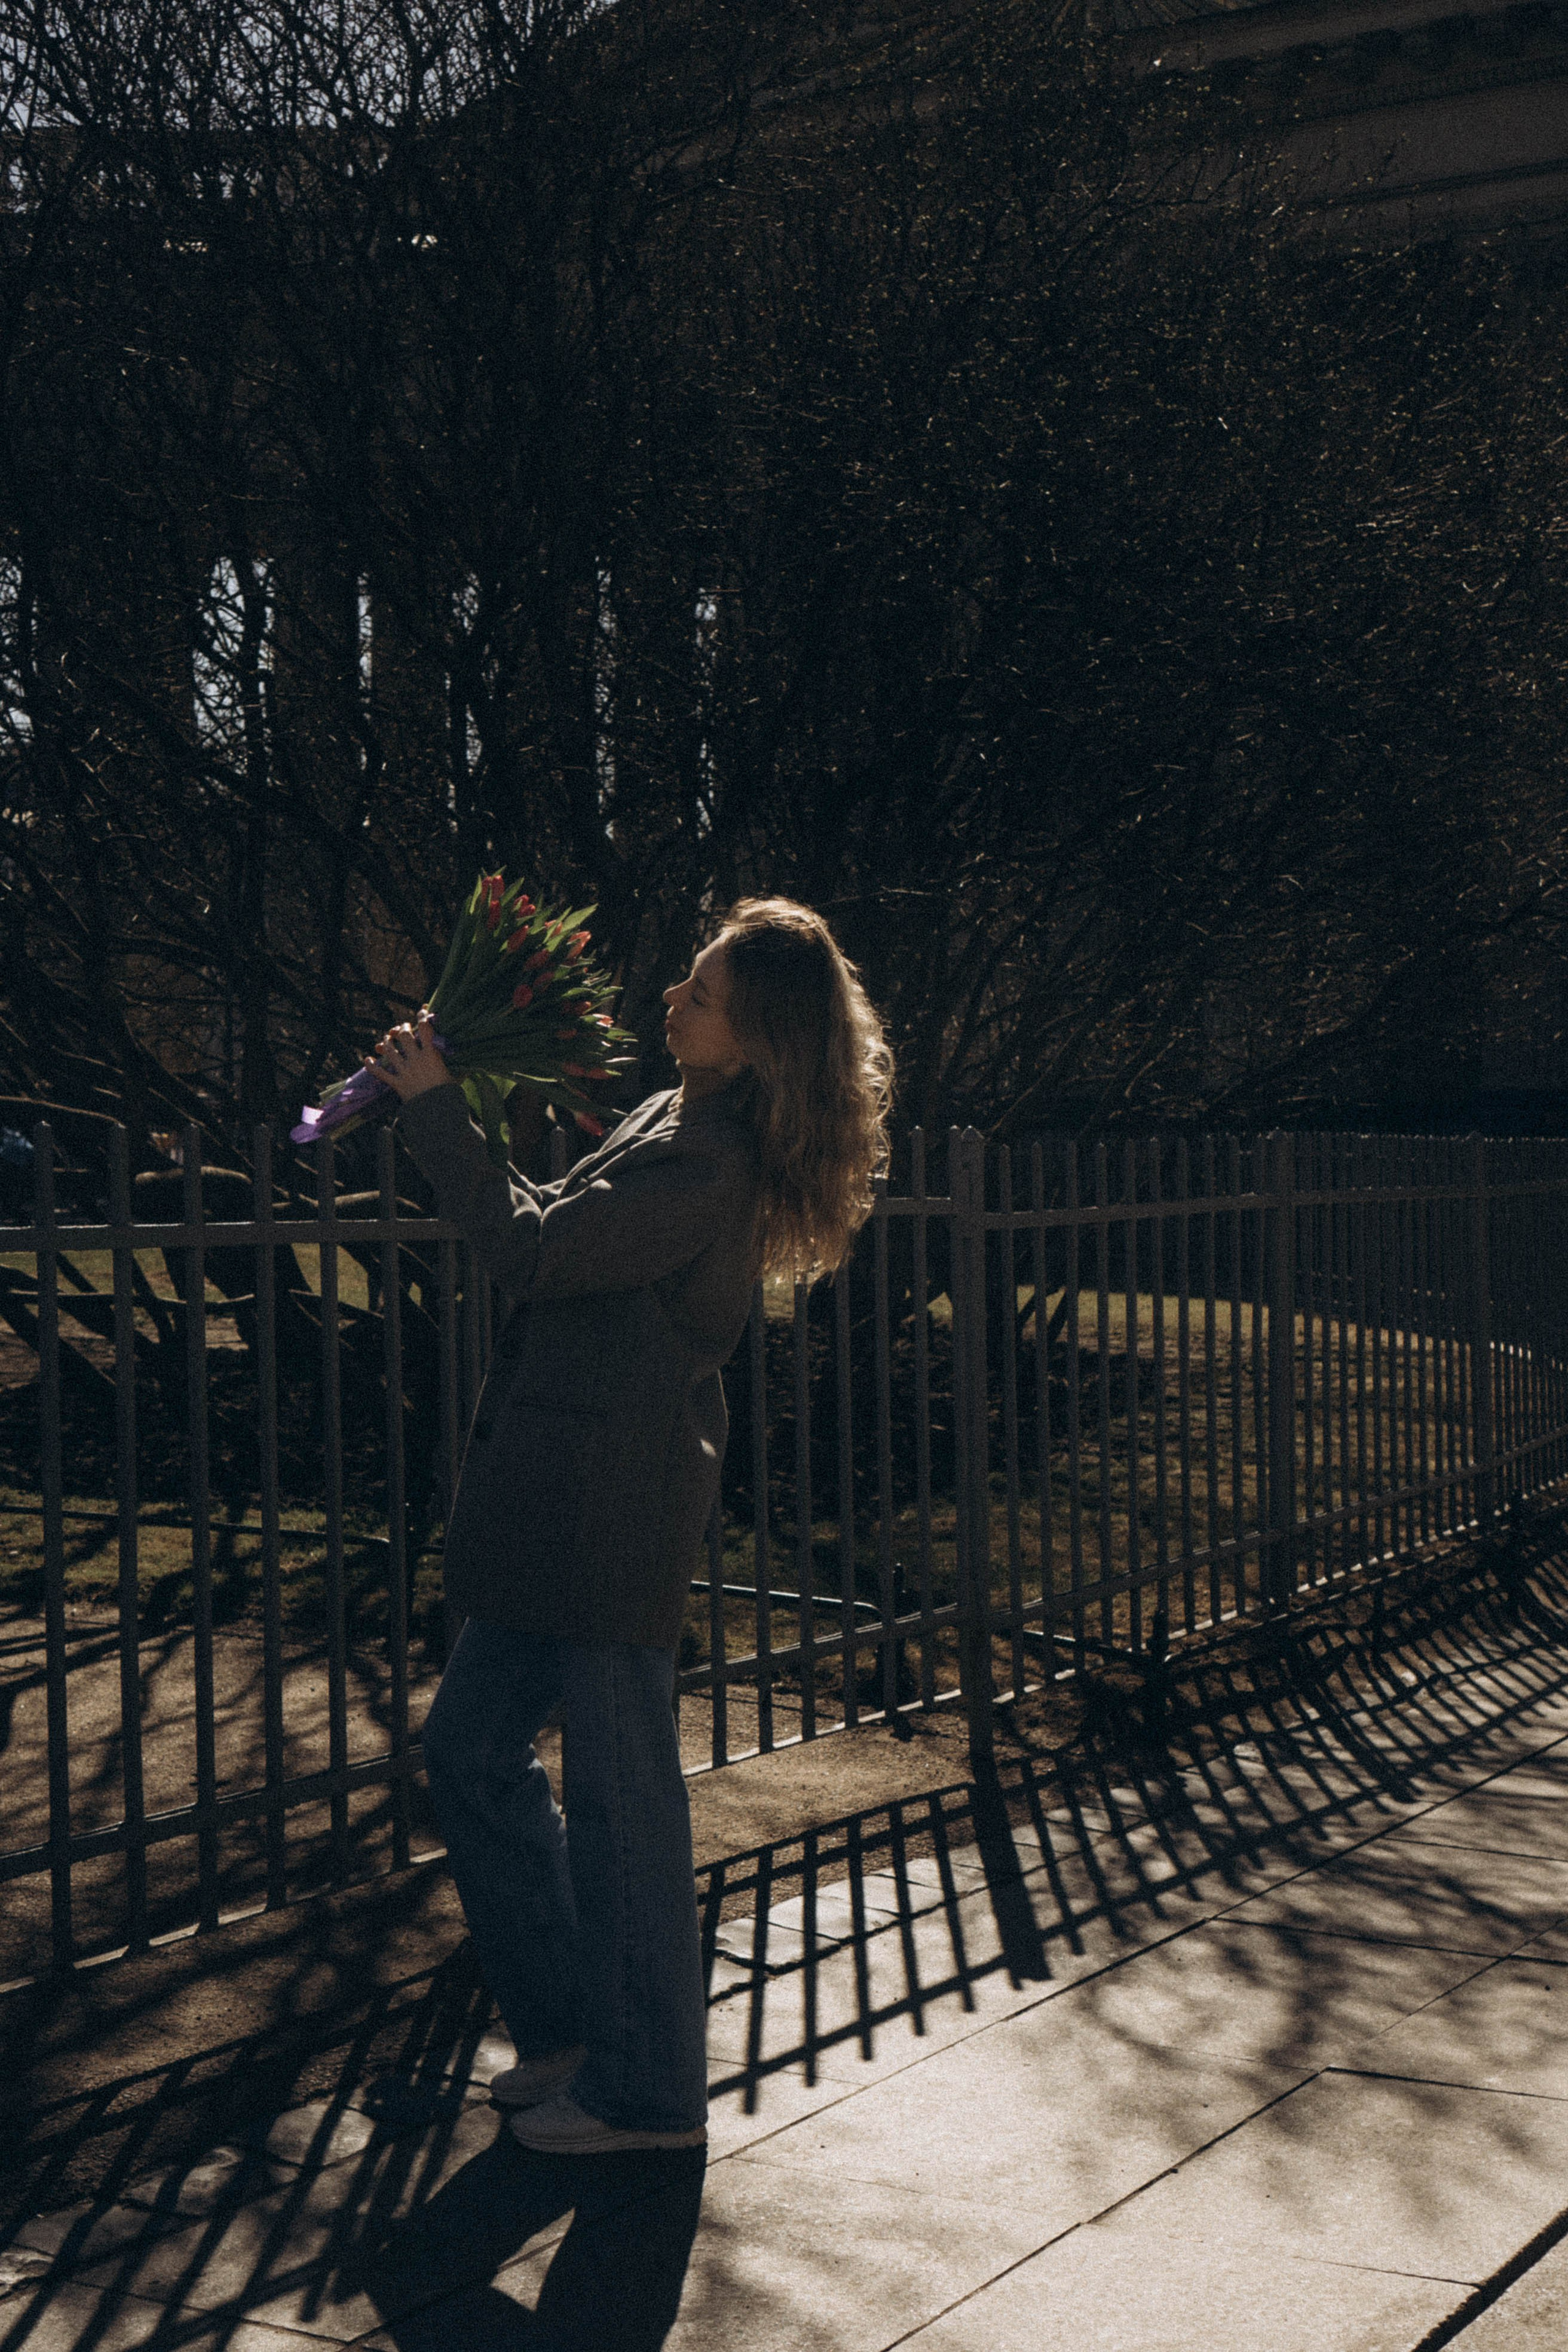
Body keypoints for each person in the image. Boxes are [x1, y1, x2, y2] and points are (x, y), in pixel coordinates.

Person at [368, 897, 892, 2154]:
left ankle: (647, 2093)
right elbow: (554, 1217)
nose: (671, 999)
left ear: (755, 1038)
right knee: (471, 1750)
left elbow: (537, 1255)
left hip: (612, 1503)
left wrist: (436, 1110)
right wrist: (463, 1090)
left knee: (621, 1806)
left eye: (699, 993)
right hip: (563, 1488)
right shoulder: (672, 1115)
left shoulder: (709, 1163)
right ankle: (568, 2031)